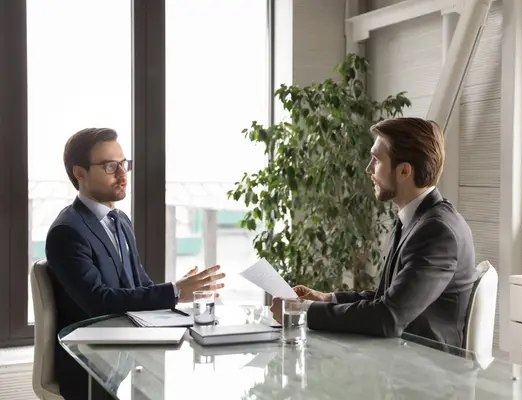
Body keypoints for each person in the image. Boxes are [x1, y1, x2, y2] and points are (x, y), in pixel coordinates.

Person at [46, 127, 225, 400]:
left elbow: (139, 285)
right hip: (92, 365)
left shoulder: (120, 221)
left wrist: (179, 295)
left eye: (123, 164)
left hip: (128, 351)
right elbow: (98, 301)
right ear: (79, 173)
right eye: (109, 166)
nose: (122, 174)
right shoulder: (67, 231)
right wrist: (174, 291)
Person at [271, 117, 477, 349]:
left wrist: (301, 311)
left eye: (377, 160)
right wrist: (327, 298)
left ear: (404, 171)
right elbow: (387, 298)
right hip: (400, 360)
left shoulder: (437, 231)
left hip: (426, 373)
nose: (369, 169)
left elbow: (388, 317)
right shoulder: (414, 220)